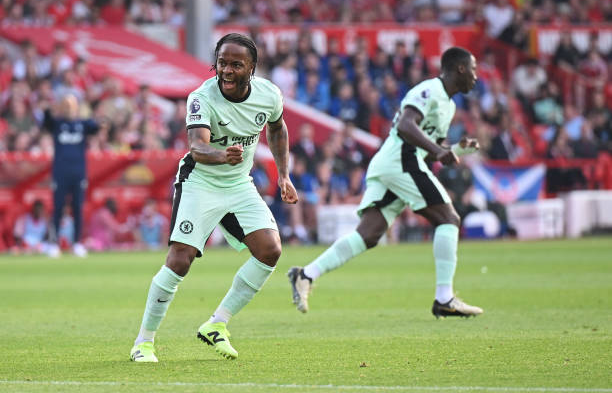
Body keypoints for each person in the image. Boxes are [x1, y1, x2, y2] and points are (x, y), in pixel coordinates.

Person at [130, 33, 298, 363]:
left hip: (238, 185)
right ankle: (143, 343)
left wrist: (284, 175)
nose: (227, 71)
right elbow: (197, 147)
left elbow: (277, 128)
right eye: (222, 63)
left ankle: (217, 323)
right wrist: (223, 155)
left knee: (270, 250)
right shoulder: (201, 97)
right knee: (180, 259)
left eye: (236, 64)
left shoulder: (269, 95)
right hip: (200, 182)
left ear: (252, 68)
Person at [288, 47, 484, 319]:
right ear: (460, 68)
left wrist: (455, 150)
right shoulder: (429, 90)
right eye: (473, 69)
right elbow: (405, 125)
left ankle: (306, 274)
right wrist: (439, 151)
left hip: (395, 163)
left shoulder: (449, 106)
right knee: (448, 219)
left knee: (368, 235)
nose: (476, 76)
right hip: (401, 160)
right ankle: (444, 298)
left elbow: (432, 149)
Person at [43, 94, 99, 258]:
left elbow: (96, 127)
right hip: (60, 173)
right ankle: (53, 243)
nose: (68, 109)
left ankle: (77, 243)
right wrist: (47, 110)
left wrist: (93, 114)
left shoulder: (82, 124)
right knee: (58, 208)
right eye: (66, 106)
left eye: (71, 106)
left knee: (77, 208)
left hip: (78, 173)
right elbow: (46, 122)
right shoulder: (57, 124)